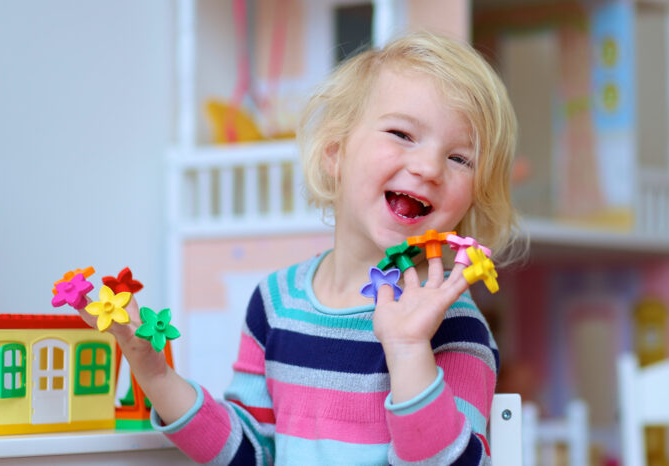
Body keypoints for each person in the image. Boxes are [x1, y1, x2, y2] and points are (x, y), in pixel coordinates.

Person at [78, 31, 519, 465]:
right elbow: (250, 452)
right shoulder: (276, 302)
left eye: (460, 158)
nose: (427, 168)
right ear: (335, 153)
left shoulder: (454, 323)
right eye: (403, 134)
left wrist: (407, 349)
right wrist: (152, 371)